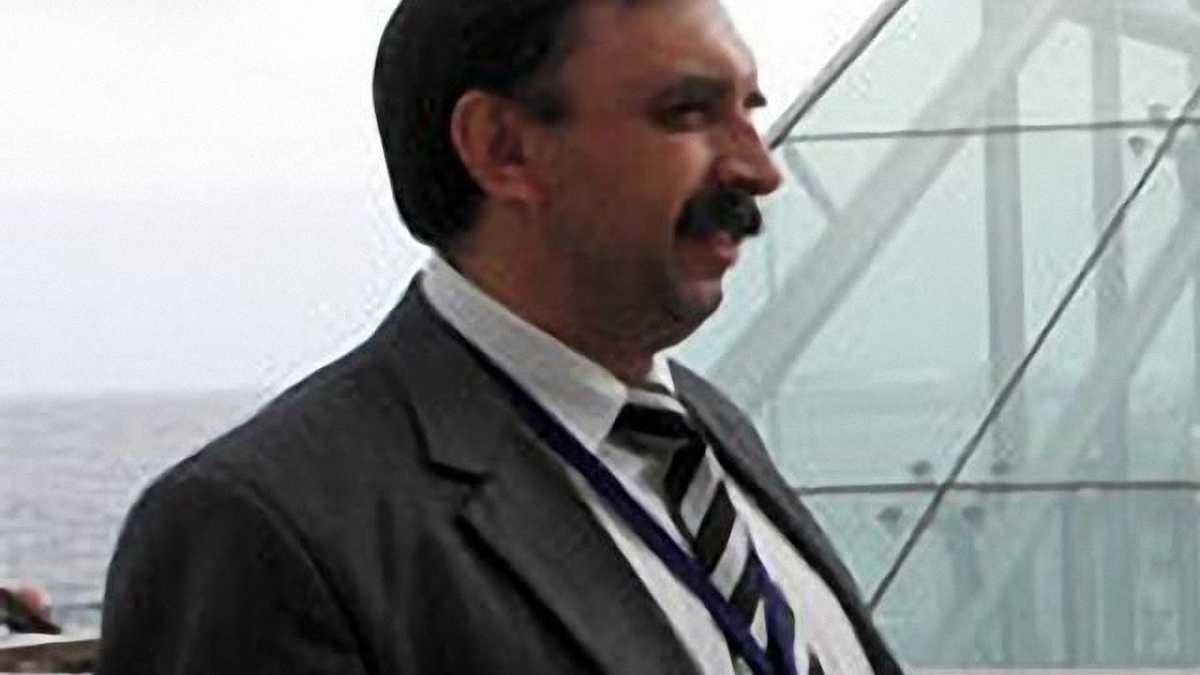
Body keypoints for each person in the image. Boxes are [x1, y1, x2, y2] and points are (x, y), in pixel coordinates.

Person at [96, 0, 904, 673]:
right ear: (502, 149)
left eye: (749, 111)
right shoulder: (266, 530)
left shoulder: (712, 434)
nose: (759, 168)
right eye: (687, 113)